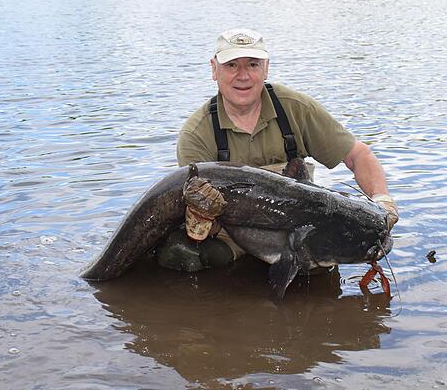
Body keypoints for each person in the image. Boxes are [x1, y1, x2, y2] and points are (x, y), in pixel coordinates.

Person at [155, 28, 398, 271]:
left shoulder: (296, 108)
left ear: (266, 68)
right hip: (232, 234)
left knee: (322, 261)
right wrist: (201, 216)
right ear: (214, 69)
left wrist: (382, 201)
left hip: (300, 229)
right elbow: (194, 213)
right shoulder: (196, 134)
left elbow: (358, 155)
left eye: (252, 64)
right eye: (231, 65)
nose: (243, 76)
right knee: (181, 255)